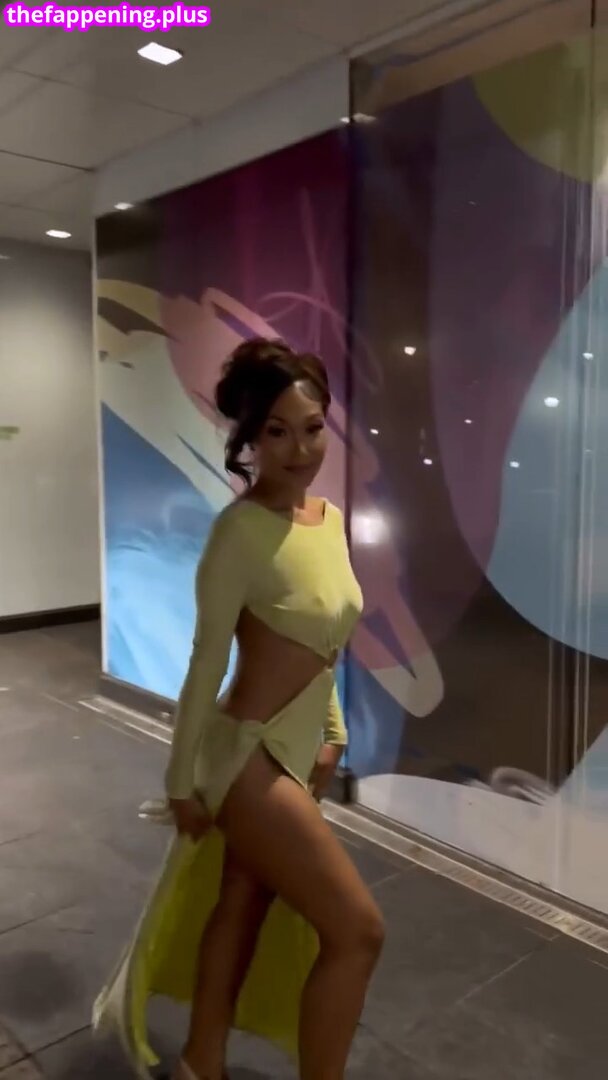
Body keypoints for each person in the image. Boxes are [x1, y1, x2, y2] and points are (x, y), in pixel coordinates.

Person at [93, 337, 385, 1080]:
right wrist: (180, 783)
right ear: (249, 438)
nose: (299, 449)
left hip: (297, 750)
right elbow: (204, 664)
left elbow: (325, 641)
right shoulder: (239, 532)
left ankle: (202, 1059)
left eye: (312, 428)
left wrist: (333, 732)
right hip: (246, 758)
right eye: (276, 431)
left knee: (244, 901)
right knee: (358, 931)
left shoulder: (330, 519)